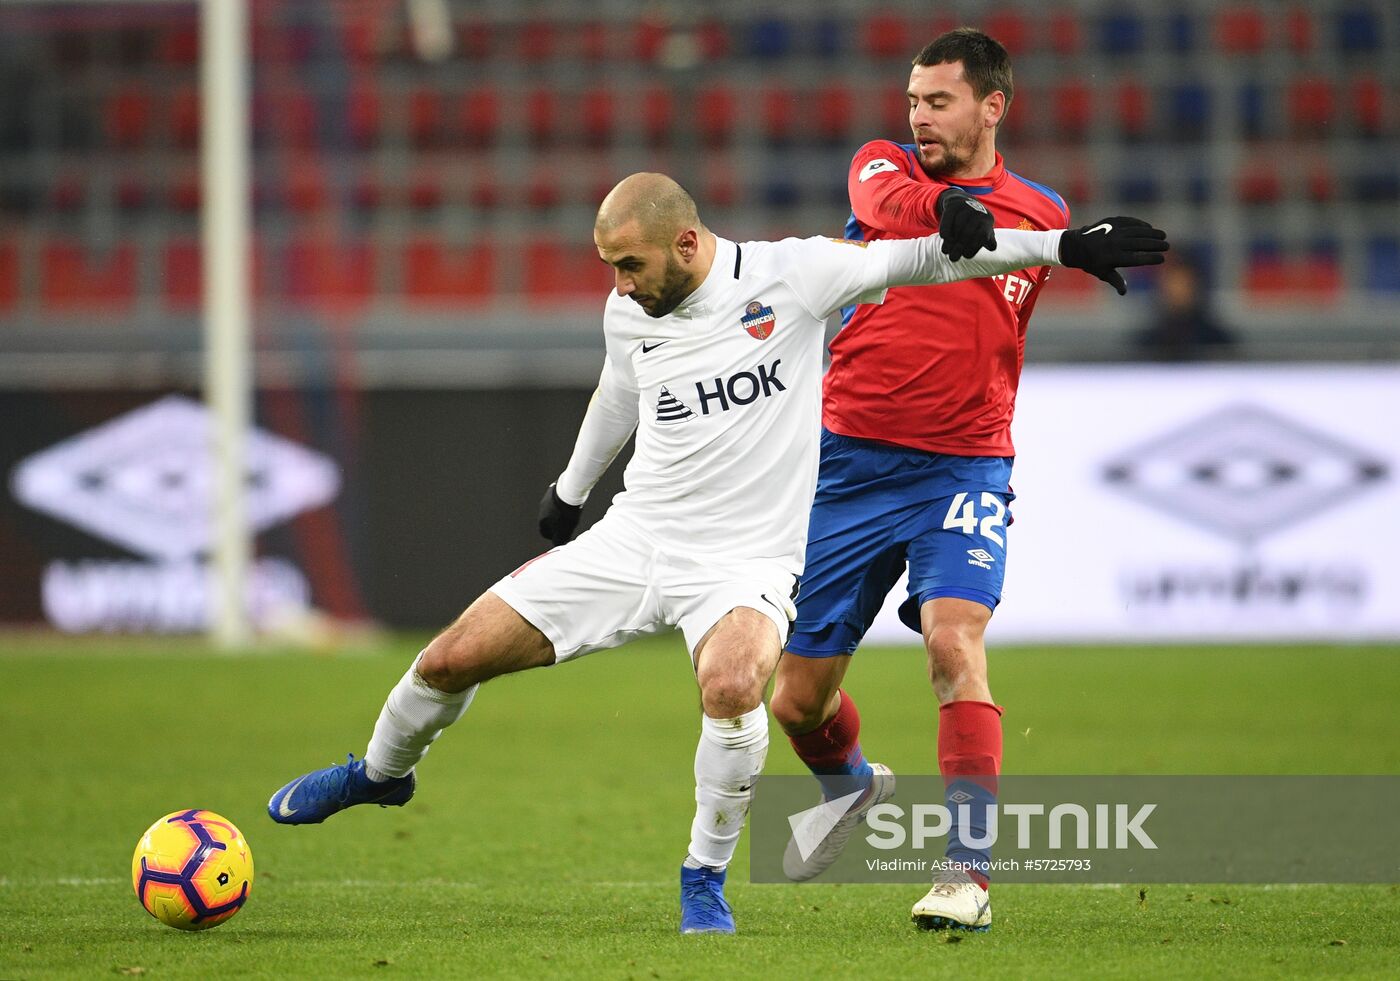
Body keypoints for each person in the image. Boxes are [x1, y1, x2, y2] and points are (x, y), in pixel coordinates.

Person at [267, 172, 1165, 935]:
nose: (620, 284)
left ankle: (703, 878)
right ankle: (380, 775)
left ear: (687, 242)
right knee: (449, 656)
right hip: (637, 536)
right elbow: (619, 391)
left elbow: (926, 257)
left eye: (631, 264)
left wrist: (1060, 248)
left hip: (746, 560)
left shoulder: (794, 276)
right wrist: (573, 490)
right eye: (610, 267)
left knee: (737, 686)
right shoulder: (629, 311)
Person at [769, 29, 1166, 931]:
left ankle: (967, 876)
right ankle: (853, 784)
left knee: (953, 646)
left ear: (993, 106)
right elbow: (910, 211)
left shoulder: (1039, 207)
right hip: (847, 465)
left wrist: (1060, 242)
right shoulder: (879, 169)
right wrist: (961, 215)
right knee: (797, 698)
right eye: (913, 101)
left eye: (938, 101)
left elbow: (1010, 269)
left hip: (964, 464)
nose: (918, 117)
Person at [1133, 253, 1236, 361]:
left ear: (1195, 287)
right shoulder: (1148, 344)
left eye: (1183, 284)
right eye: (1173, 284)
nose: (1178, 291)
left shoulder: (1217, 342)